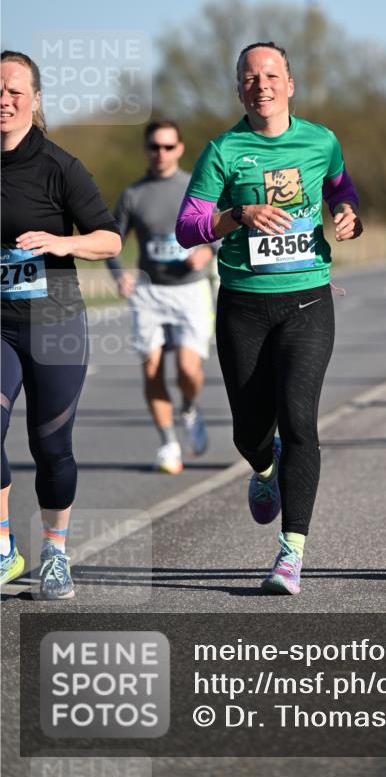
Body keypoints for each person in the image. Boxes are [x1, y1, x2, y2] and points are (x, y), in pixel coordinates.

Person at [175, 42, 362, 594]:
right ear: (240, 89)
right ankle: (264, 466)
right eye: (251, 78)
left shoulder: (321, 140)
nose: (262, 85)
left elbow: (341, 189)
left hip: (308, 301)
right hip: (244, 306)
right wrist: (239, 214)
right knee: (251, 432)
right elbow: (187, 226)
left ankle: (291, 553)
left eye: (272, 75)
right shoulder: (223, 150)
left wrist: (348, 214)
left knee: (300, 420)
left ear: (290, 84)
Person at [0, 51, 121, 597]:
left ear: (35, 99)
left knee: (50, 447)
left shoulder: (59, 166)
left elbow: (109, 239)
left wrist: (61, 242)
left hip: (55, 322)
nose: (4, 100)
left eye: (14, 91)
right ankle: (4, 548)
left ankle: (54, 553)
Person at [108, 121, 215, 474]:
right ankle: (168, 444)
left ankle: (189, 407)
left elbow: (220, 229)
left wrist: (208, 252)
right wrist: (119, 274)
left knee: (187, 369)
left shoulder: (195, 187)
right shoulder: (133, 194)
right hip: (149, 292)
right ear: (146, 149)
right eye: (155, 147)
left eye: (168, 147)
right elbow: (111, 241)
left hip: (190, 290)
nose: (161, 153)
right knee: (152, 369)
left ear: (180, 149)